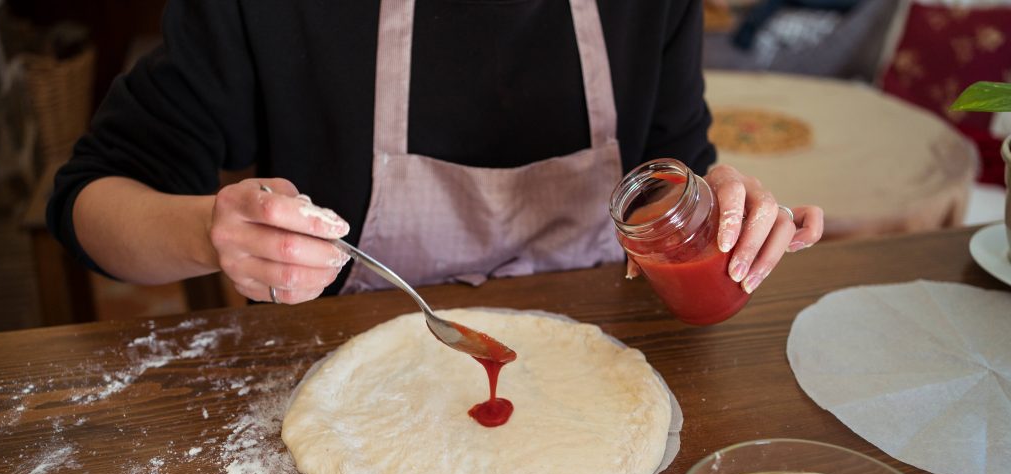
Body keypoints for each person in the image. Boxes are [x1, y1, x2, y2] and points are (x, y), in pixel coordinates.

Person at [47, 0, 823, 306]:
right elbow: (89, 201)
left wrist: (717, 217)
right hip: (352, 395)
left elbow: (670, 174)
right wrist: (207, 231)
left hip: (599, 374)